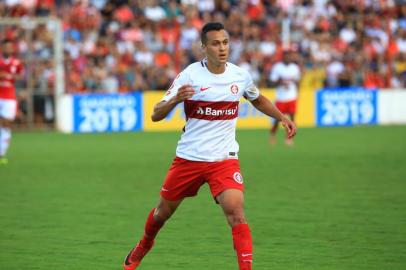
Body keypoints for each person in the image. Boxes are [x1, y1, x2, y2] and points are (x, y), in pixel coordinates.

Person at [123, 22, 296, 270]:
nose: (222, 48)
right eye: (215, 43)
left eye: (225, 42)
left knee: (236, 213)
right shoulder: (189, 75)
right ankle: (145, 244)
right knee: (162, 213)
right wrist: (175, 100)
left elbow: (257, 99)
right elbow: (155, 114)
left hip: (224, 159)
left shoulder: (239, 75)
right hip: (189, 158)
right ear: (204, 48)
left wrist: (282, 117)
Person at [269, 49, 301, 146]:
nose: (288, 58)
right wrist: (281, 82)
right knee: (277, 120)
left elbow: (298, 81)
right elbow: (272, 82)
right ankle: (272, 135)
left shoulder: (295, 68)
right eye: (287, 56)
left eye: (290, 56)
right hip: (281, 97)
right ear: (283, 57)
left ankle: (289, 138)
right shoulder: (277, 67)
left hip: (292, 96)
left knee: (292, 118)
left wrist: (298, 92)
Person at [0, 39, 23, 165]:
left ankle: (2, 153)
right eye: (5, 47)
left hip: (9, 97)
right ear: (2, 49)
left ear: (12, 49)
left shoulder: (17, 63)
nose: (7, 49)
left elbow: (20, 76)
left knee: (6, 124)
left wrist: (10, 76)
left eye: (9, 47)